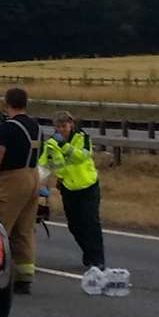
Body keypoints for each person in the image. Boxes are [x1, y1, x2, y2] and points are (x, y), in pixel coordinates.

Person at [0, 86, 42, 293]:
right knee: (24, 229)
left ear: (7, 104)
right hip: (33, 176)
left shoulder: (7, 127)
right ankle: (24, 277)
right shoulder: (36, 126)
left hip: (11, 179)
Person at [40, 110, 105, 272]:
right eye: (58, 126)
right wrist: (37, 180)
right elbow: (46, 165)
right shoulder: (52, 143)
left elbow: (81, 157)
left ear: (71, 125)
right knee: (74, 225)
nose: (61, 129)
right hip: (69, 187)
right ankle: (88, 252)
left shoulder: (82, 138)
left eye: (64, 126)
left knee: (91, 222)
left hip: (88, 185)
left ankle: (97, 259)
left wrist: (64, 145)